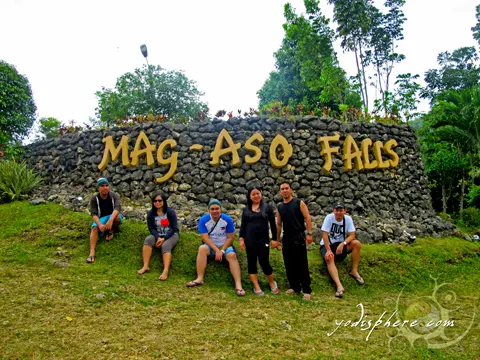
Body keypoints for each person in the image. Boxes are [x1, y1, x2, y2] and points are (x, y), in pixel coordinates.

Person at [186, 199, 245, 296]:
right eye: (212, 209)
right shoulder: (203, 220)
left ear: (220, 209)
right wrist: (216, 250)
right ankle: (199, 278)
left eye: (217, 208)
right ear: (208, 210)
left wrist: (222, 250)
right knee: (202, 249)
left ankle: (238, 285)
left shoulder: (227, 219)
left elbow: (230, 237)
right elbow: (205, 238)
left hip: (225, 245)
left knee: (232, 255)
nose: (215, 211)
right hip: (211, 245)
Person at [273, 182, 313, 301]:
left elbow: (307, 217)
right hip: (287, 238)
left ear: (290, 190)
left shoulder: (298, 202)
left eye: (286, 188)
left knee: (302, 263)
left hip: (299, 236)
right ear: (280, 192)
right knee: (289, 264)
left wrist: (309, 233)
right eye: (282, 189)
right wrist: (277, 239)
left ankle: (306, 290)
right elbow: (279, 224)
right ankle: (295, 287)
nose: (284, 191)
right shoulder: (280, 207)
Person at [239, 186, 279, 295]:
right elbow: (243, 226)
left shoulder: (267, 208)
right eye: (253, 194)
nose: (256, 196)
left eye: (258, 193)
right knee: (251, 263)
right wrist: (241, 239)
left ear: (261, 194)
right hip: (249, 240)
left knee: (264, 262)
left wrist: (275, 239)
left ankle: (271, 282)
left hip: (263, 240)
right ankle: (256, 286)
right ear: (250, 197)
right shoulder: (246, 209)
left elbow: (273, 225)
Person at [320, 201, 364, 298]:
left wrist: (343, 244)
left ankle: (354, 271)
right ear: (333, 211)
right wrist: (328, 250)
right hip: (328, 244)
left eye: (341, 210)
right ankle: (339, 286)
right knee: (329, 258)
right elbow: (324, 234)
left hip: (341, 244)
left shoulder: (348, 219)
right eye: (337, 210)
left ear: (345, 211)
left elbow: (352, 235)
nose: (339, 213)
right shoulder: (329, 218)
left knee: (356, 244)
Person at [137, 193, 179, 280]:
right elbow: (151, 228)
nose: (157, 202)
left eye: (159, 200)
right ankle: (145, 266)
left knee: (166, 245)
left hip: (171, 234)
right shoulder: (151, 214)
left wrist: (164, 239)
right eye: (155, 201)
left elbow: (174, 228)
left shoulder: (170, 212)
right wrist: (158, 237)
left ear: (163, 201)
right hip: (158, 235)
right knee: (148, 240)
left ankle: (165, 270)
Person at [87, 178, 123, 263]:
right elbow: (93, 214)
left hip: (112, 216)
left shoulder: (114, 196)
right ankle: (92, 252)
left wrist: (111, 220)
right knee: (95, 228)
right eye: (102, 186)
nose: (105, 188)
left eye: (107, 185)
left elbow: (118, 208)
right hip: (101, 218)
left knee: (117, 217)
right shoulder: (94, 198)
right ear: (98, 188)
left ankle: (111, 230)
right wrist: (99, 224)